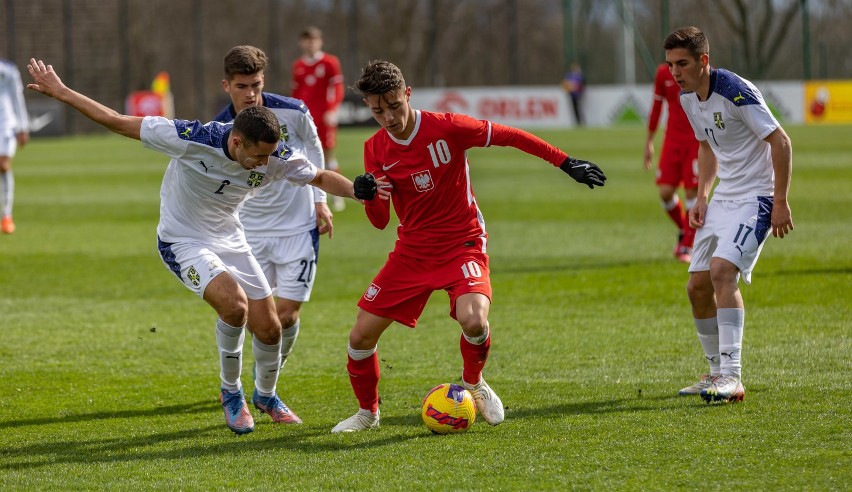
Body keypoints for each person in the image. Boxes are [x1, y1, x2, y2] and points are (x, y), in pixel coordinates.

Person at [25, 58, 387, 434]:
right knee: (234, 307)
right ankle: (231, 392)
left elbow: (321, 175)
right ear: (235, 141)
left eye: (268, 157)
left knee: (270, 330)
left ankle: (266, 395)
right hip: (182, 240)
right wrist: (62, 92)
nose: (263, 165)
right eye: (257, 156)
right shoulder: (190, 137)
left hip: (229, 237)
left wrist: (360, 191)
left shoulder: (274, 157)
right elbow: (117, 120)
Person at [331, 60, 607, 433]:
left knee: (474, 319)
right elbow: (380, 221)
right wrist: (367, 195)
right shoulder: (375, 149)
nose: (389, 118)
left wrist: (565, 162)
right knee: (359, 337)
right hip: (412, 251)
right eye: (378, 111)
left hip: (463, 243)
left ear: (407, 94)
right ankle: (368, 413)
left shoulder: (447, 127)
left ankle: (473, 383)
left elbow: (510, 135)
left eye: (395, 105)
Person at [664, 27, 794, 403]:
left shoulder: (735, 90)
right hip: (723, 198)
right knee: (697, 286)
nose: (675, 72)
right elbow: (706, 147)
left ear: (704, 61)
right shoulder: (688, 97)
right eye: (670, 64)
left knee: (722, 271)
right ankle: (714, 373)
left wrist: (781, 200)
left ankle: (733, 377)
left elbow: (780, 141)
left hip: (758, 198)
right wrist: (702, 196)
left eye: (682, 63)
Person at [214, 45, 334, 424]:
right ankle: (260, 389)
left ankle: (266, 381)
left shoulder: (293, 112)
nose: (250, 93)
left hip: (297, 225)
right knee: (255, 316)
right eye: (242, 86)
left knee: (287, 313)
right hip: (247, 231)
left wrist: (319, 199)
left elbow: (314, 150)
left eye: (256, 84)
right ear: (227, 86)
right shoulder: (219, 130)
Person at [643, 62, 700, 262]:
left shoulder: (699, 70)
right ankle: (684, 230)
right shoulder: (662, 74)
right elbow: (656, 108)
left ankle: (687, 246)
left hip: (696, 140)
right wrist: (649, 142)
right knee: (665, 192)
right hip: (672, 141)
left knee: (693, 192)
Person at [292, 26, 346, 212]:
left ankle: (337, 195)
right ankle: (310, 197)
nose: (310, 43)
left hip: (324, 117)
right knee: (305, 155)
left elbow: (338, 88)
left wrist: (332, 110)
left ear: (320, 41)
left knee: (328, 153)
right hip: (305, 117)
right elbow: (296, 92)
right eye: (307, 39)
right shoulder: (298, 65)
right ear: (301, 42)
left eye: (314, 39)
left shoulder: (330, 62)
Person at [0, 58, 30, 234]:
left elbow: (17, 96)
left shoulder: (8, 70)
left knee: (3, 165)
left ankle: (6, 216)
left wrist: (23, 126)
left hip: (6, 123)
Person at [562, 62, 585, 127]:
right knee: (574, 109)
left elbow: (582, 84)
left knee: (577, 108)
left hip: (577, 95)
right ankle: (577, 122)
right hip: (572, 94)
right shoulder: (570, 75)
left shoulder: (579, 76)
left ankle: (580, 122)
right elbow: (565, 83)